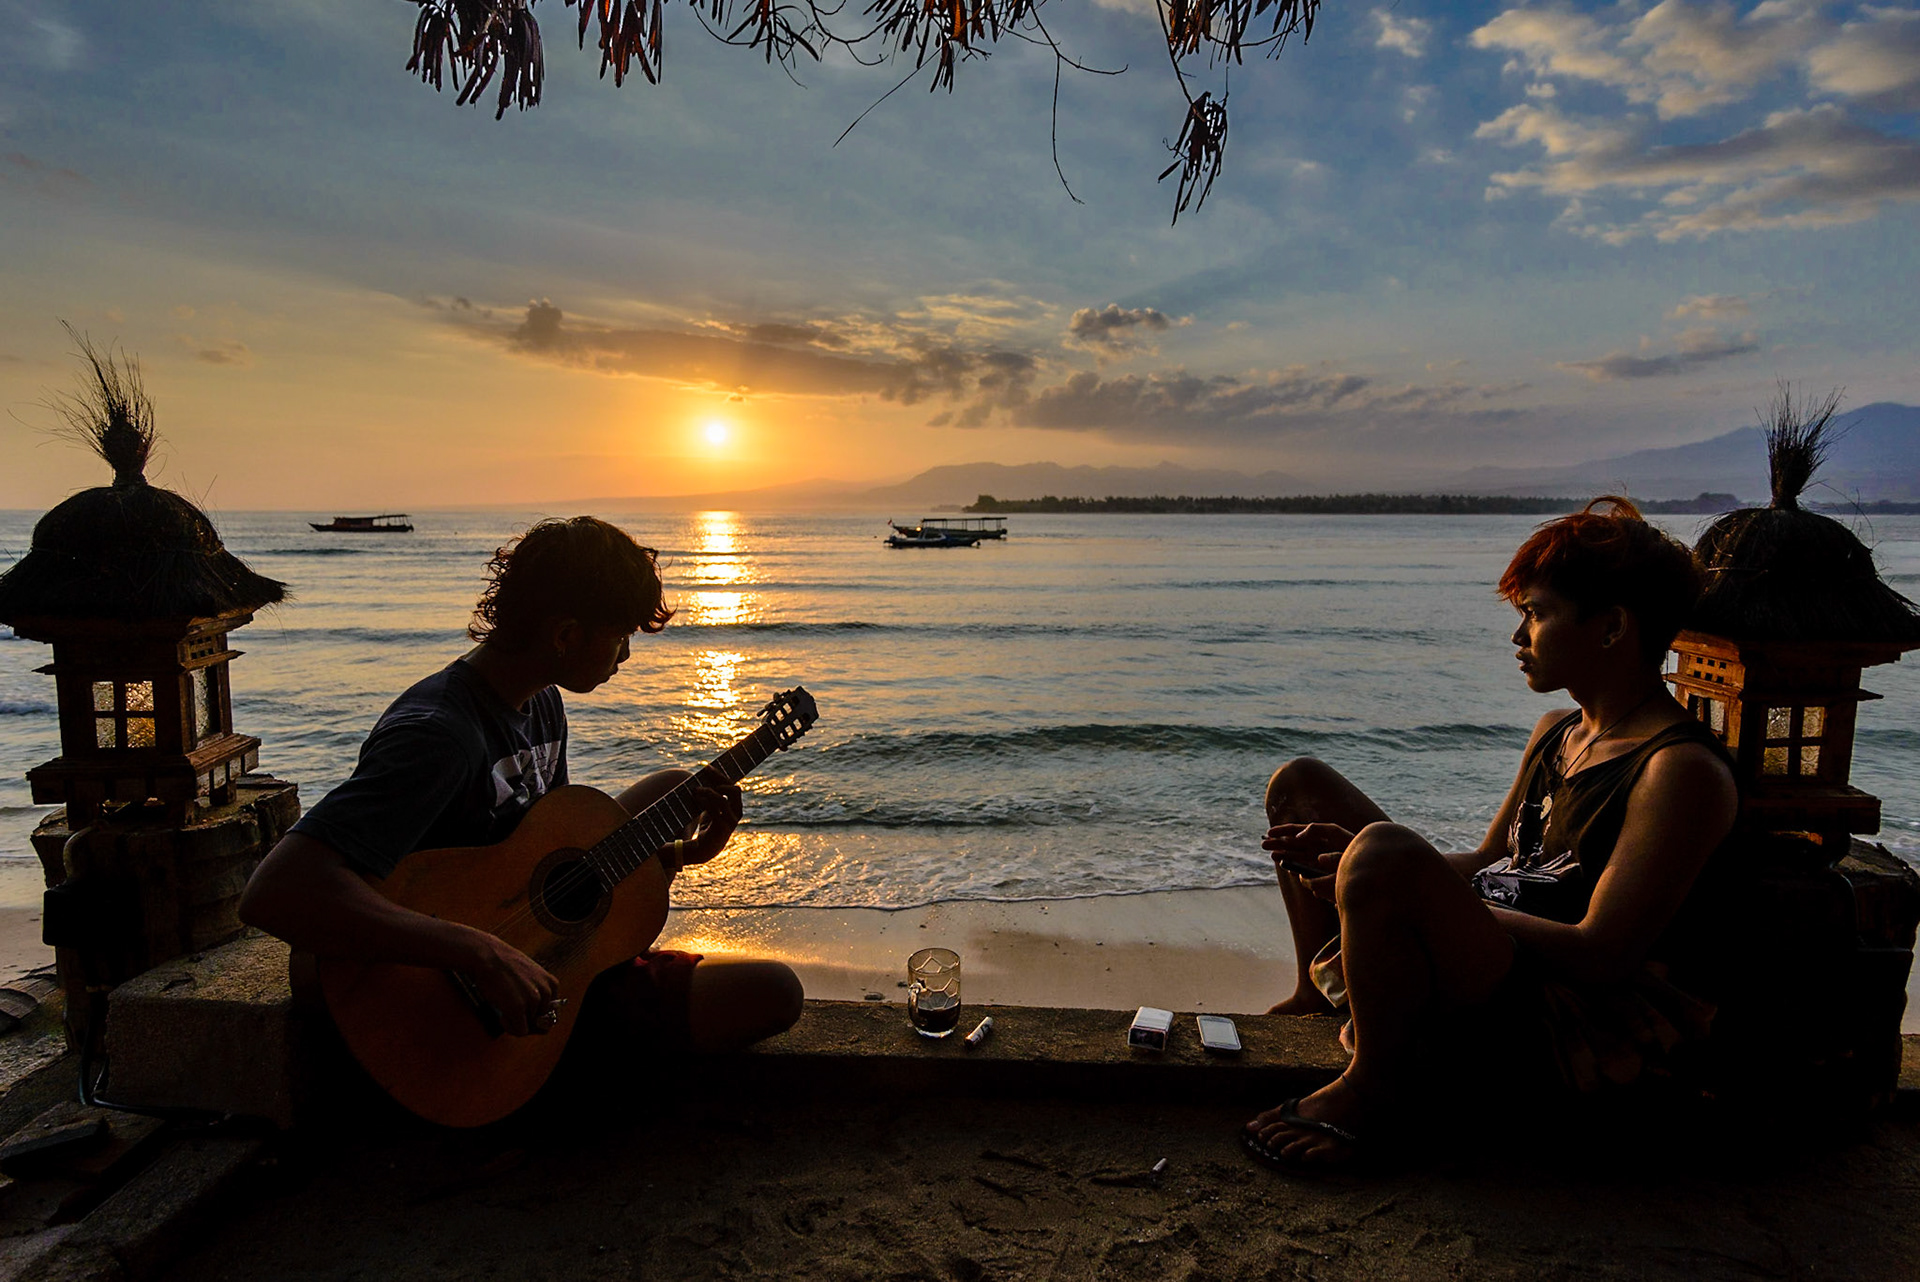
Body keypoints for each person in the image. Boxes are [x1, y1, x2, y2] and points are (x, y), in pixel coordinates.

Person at [1245, 497, 1738, 1172]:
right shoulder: (1560, 733)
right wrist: (1361, 872)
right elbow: (1489, 859)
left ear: (1612, 628)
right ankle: (1313, 995)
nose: (1518, 636)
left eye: (1536, 614)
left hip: (1568, 1014)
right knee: (1299, 785)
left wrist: (1400, 882)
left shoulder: (1677, 771)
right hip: (1497, 953)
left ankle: (1372, 1089)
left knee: (1383, 853)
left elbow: (1602, 954)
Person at [240, 516, 803, 1090]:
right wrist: (477, 953)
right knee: (777, 993)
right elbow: (277, 891)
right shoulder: (439, 735)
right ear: (564, 636)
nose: (627, 655)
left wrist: (680, 856)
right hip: (456, 999)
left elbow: (556, 871)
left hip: (534, 956)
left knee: (672, 788)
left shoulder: (541, 705)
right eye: (620, 635)